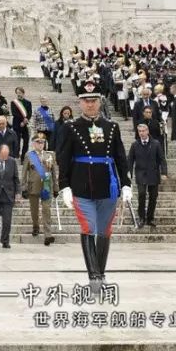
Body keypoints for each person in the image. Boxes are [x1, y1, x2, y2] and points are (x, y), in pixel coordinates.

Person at [57, 83, 131, 290]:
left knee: (105, 231)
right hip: (81, 184)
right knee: (88, 227)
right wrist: (64, 186)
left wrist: (126, 183)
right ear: (80, 102)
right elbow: (63, 158)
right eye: (86, 101)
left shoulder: (112, 127)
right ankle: (94, 276)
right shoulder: (70, 127)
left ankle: (101, 271)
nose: (90, 105)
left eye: (94, 101)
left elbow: (120, 158)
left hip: (107, 185)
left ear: (100, 102)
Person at [128, 123, 168, 228]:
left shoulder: (156, 144)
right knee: (141, 194)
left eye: (143, 131)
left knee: (153, 196)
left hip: (153, 174)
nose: (141, 133)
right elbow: (130, 160)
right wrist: (129, 173)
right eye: (139, 131)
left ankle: (150, 218)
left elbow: (162, 159)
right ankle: (141, 217)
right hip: (141, 174)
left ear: (147, 131)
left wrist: (164, 172)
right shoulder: (135, 145)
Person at [22, 132, 57, 245]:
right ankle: (35, 225)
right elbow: (24, 173)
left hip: (47, 186)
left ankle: (48, 234)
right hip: (33, 186)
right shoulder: (29, 155)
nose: (40, 144)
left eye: (42, 142)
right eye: (38, 142)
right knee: (34, 210)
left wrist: (56, 187)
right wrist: (24, 187)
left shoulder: (50, 155)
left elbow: (54, 172)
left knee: (46, 210)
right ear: (34, 143)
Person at [9, 86, 33, 156]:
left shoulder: (28, 102)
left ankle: (23, 156)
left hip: (26, 125)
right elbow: (14, 113)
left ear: (23, 93)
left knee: (26, 141)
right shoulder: (13, 102)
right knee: (17, 141)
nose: (19, 94)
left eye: (20, 93)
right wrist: (23, 120)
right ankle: (16, 154)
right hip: (17, 124)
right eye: (17, 93)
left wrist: (26, 120)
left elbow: (30, 113)